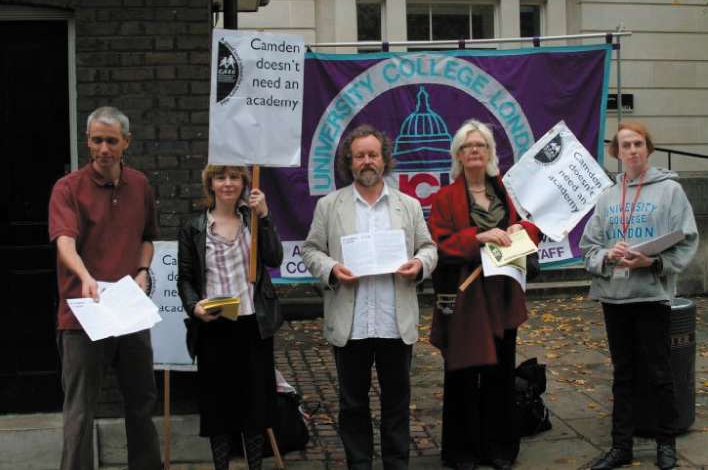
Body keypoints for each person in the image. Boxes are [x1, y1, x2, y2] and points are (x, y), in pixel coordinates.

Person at [301, 124, 437, 470]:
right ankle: (358, 463)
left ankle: (396, 464)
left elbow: (428, 247)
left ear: (384, 159)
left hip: (394, 321)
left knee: (396, 403)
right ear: (350, 162)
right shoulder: (330, 206)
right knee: (352, 404)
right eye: (359, 156)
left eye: (372, 154)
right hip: (352, 321)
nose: (366, 162)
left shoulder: (408, 204)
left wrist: (419, 265)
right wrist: (331, 269)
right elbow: (312, 249)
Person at [580, 121, 698, 470]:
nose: (632, 150)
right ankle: (621, 446)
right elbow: (588, 248)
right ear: (616, 152)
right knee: (623, 374)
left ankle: (666, 443)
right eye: (625, 145)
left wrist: (654, 261)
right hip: (615, 297)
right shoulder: (606, 197)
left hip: (650, 294)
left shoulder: (670, 191)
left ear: (648, 148)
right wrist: (608, 255)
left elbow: (688, 238)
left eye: (638, 144)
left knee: (660, 372)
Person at [48, 106, 162, 470]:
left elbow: (147, 238)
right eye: (97, 140)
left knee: (142, 402)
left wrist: (143, 271)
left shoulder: (140, 185)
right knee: (80, 410)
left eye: (111, 141)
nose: (103, 148)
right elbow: (64, 242)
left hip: (129, 311)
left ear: (126, 142)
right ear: (87, 141)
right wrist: (85, 276)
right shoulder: (68, 188)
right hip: (82, 315)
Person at [427, 119, 540, 470]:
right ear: (458, 155)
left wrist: (523, 228)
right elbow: (439, 244)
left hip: (503, 294)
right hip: (466, 299)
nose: (474, 151)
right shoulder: (445, 197)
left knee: (501, 372)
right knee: (462, 373)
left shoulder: (507, 191)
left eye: (481, 146)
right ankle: (462, 451)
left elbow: (534, 227)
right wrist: (478, 236)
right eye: (467, 146)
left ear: (490, 153)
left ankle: (500, 449)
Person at [178, 164, 284, 470]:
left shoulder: (252, 221)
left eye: (234, 177)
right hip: (214, 325)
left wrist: (264, 216)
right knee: (219, 410)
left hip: (252, 324)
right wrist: (193, 306)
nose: (227, 183)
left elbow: (275, 258)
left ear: (244, 183)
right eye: (220, 177)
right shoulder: (194, 226)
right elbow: (184, 277)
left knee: (255, 410)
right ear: (209, 183)